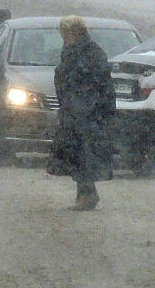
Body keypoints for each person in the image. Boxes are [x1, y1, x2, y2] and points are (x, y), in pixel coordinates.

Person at [50, 16, 116, 211]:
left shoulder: (89, 53)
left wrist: (87, 107)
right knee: (77, 154)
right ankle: (86, 194)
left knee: (83, 154)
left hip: (86, 113)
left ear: (73, 33)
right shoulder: (76, 51)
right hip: (76, 111)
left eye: (64, 34)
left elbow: (98, 84)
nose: (63, 38)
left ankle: (87, 195)